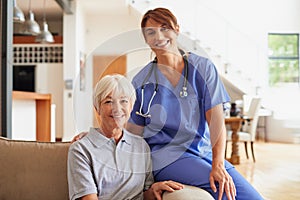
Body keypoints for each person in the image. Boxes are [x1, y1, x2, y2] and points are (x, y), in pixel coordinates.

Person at [125, 7, 264, 200]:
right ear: (146, 39)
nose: (159, 36)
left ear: (177, 30)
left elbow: (216, 121)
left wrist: (218, 163)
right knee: (225, 192)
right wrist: (97, 136)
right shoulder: (141, 81)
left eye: (164, 28)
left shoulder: (202, 68)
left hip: (203, 152)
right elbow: (131, 132)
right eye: (151, 32)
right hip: (166, 157)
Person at [68, 74, 184, 200]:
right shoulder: (81, 149)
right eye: (108, 101)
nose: (117, 108)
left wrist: (154, 190)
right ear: (97, 108)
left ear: (131, 106)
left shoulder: (141, 146)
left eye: (123, 101)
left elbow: (142, 195)